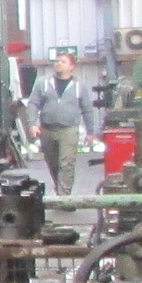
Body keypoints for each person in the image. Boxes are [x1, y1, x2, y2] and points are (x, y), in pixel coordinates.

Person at [26, 51, 90, 194]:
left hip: (68, 130)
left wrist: (91, 132)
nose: (58, 63)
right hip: (47, 130)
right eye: (57, 61)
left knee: (66, 164)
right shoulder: (43, 83)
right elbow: (33, 104)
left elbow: (87, 109)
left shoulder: (79, 86)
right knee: (53, 164)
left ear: (72, 66)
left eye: (63, 61)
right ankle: (59, 188)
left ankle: (63, 196)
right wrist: (32, 124)